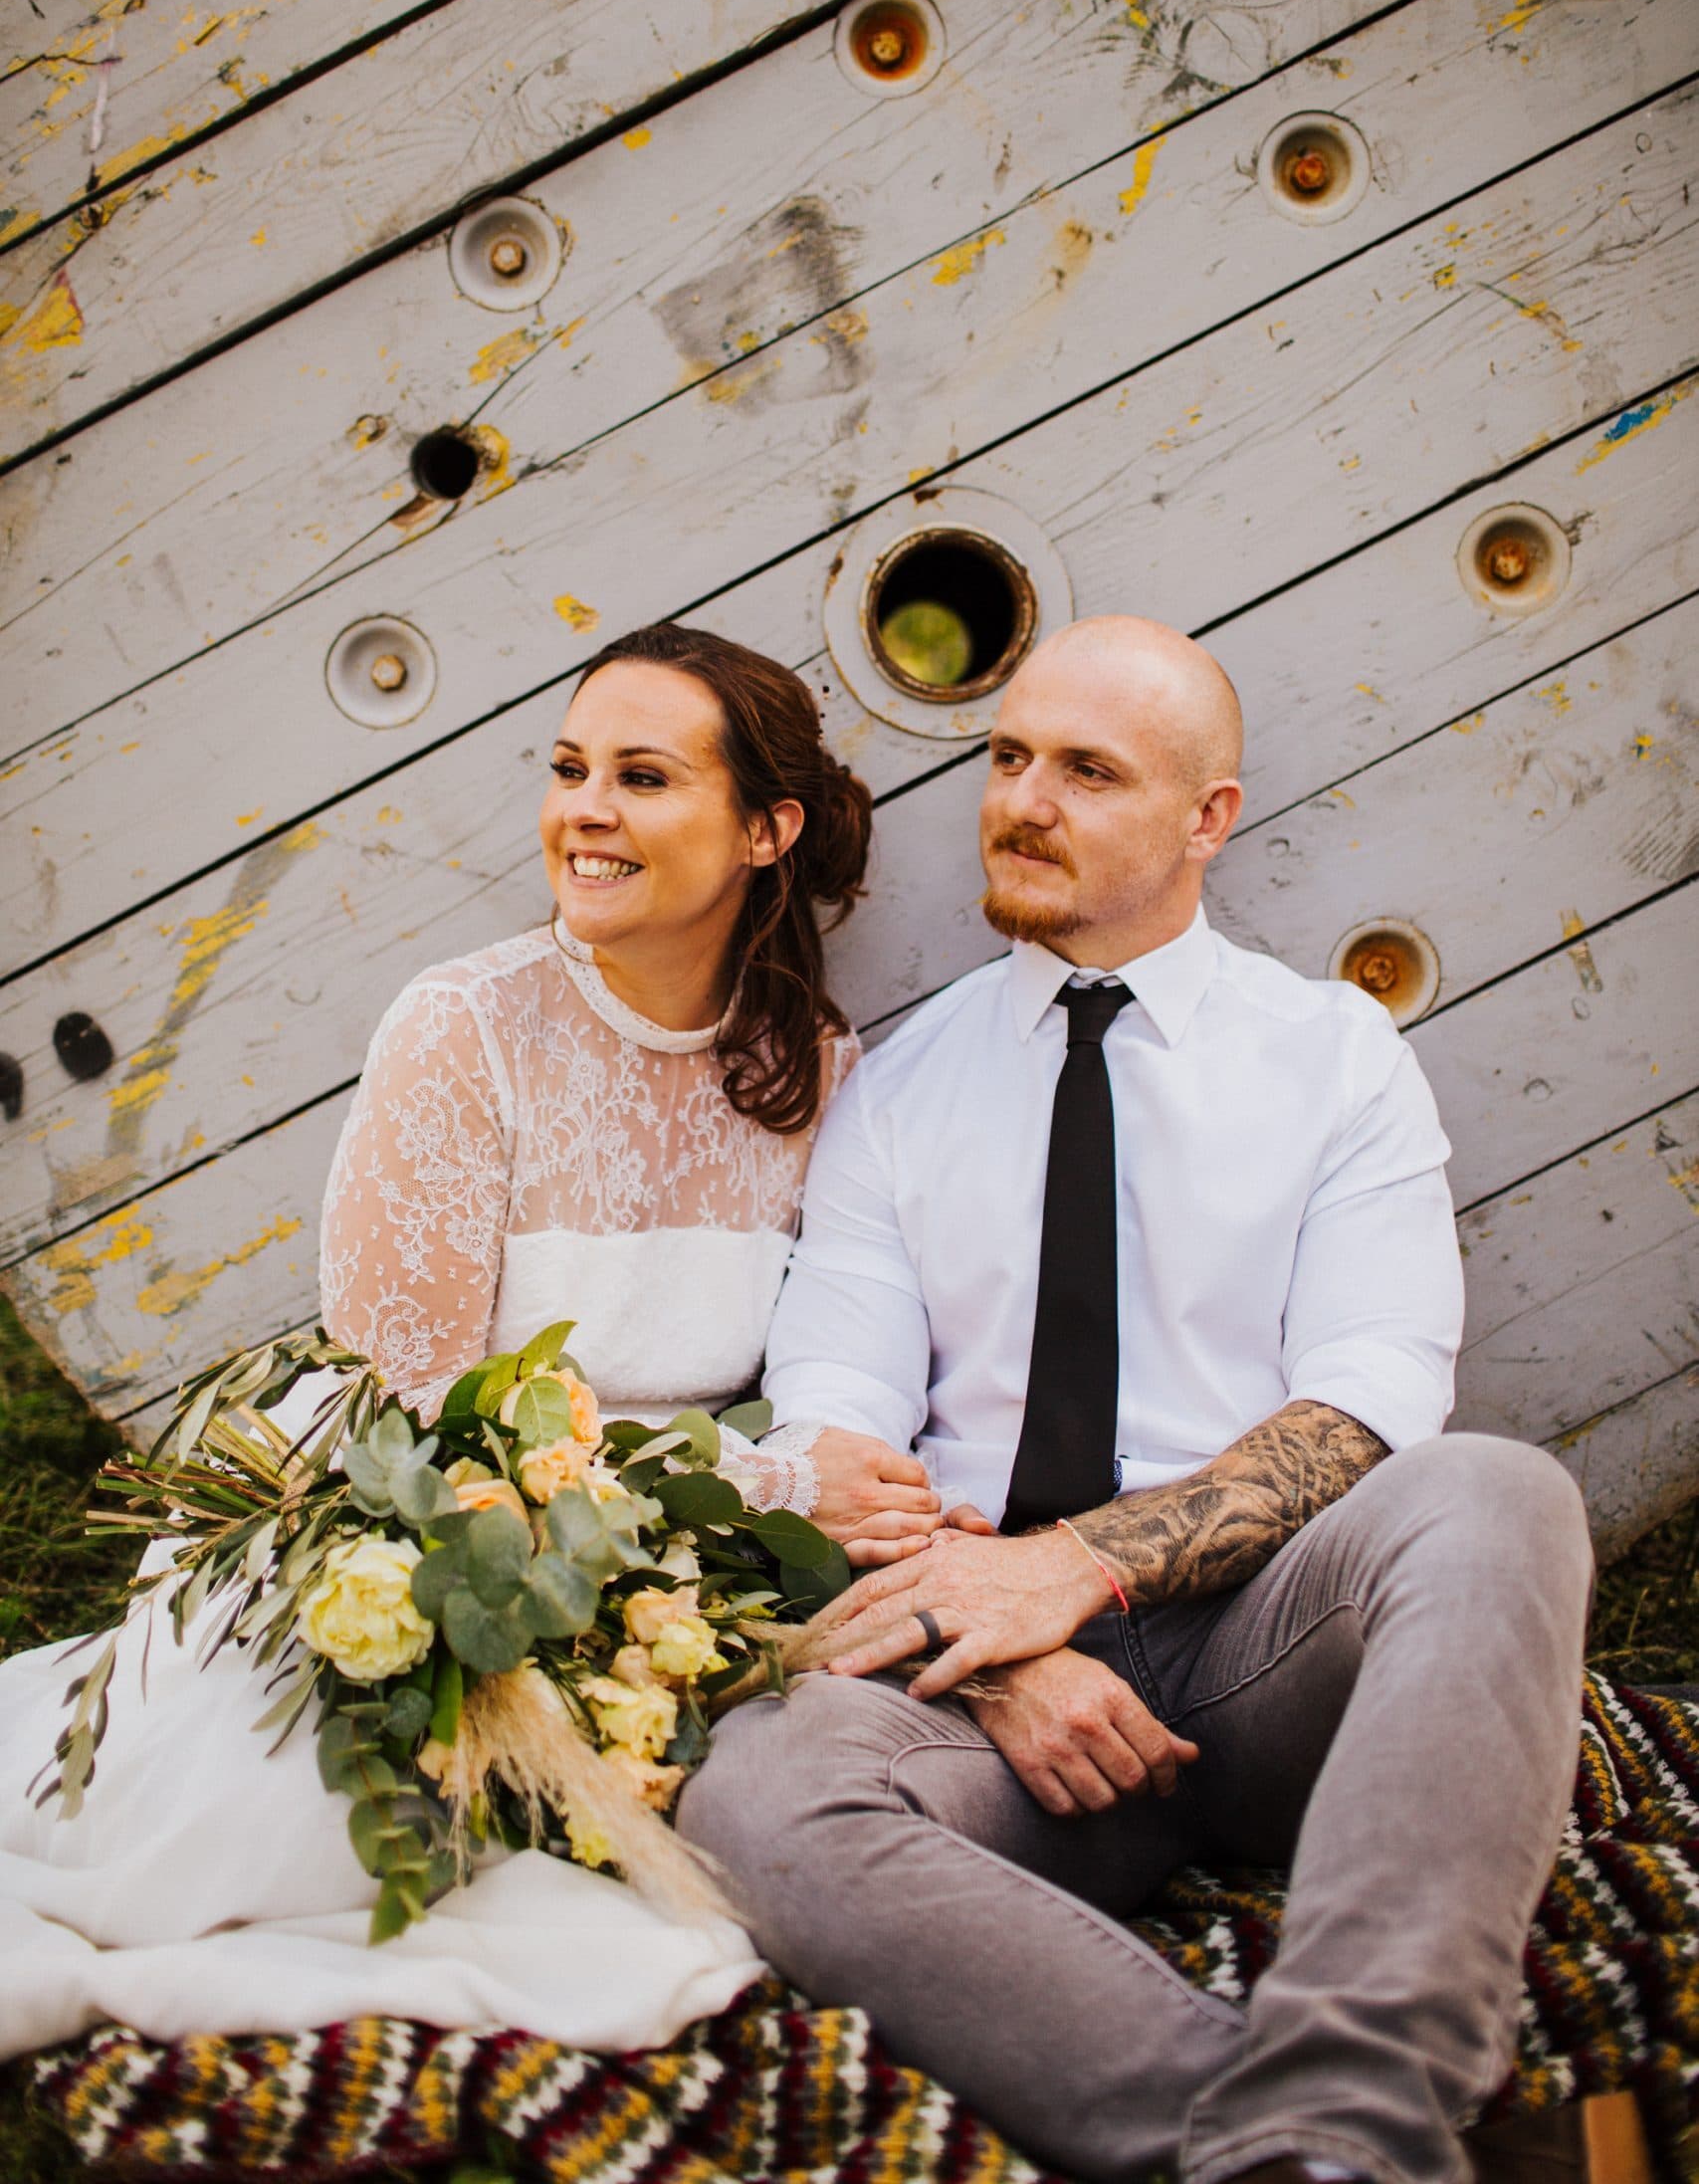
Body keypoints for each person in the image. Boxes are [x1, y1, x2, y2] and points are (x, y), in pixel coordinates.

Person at [679, 614, 1594, 2184]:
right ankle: (1299, 2156)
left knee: (1498, 1496)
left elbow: (1372, 1403)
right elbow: (831, 1439)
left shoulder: (1336, 1060)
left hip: (1265, 1646)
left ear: (1206, 818)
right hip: (987, 1692)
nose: (1022, 800)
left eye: (1086, 771)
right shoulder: (900, 1090)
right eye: (1008, 758)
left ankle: (1352, 2099)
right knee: (757, 1796)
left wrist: (1078, 1568)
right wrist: (996, 1657)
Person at [0, 622, 940, 2061]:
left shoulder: (821, 1069)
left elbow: (824, 1357)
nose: (586, 811)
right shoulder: (465, 1029)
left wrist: (798, 1500)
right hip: (414, 1533)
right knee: (291, 1852)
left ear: (767, 828)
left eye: (641, 776)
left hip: (657, 1583)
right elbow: (408, 1399)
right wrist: (760, 1488)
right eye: (570, 769)